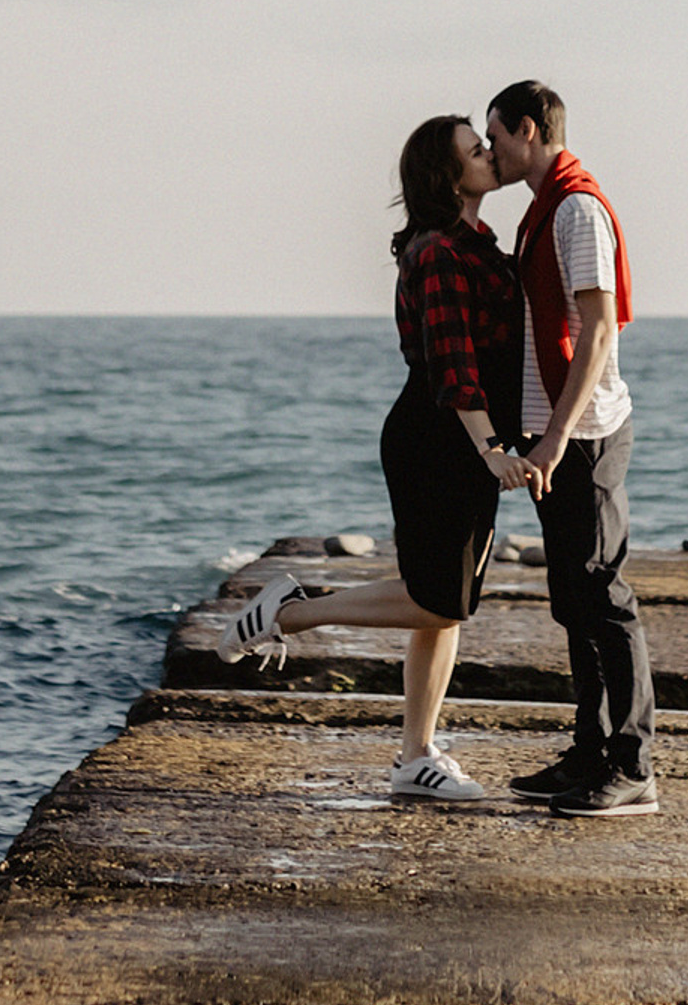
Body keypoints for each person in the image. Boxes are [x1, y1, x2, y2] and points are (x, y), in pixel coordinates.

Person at [222, 114, 531, 801]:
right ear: (447, 175)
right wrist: (489, 448)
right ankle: (292, 611)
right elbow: (453, 363)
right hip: (438, 437)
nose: (489, 154)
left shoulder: (478, 243)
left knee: (447, 608)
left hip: (459, 436)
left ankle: (416, 757)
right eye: (476, 150)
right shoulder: (438, 251)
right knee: (434, 598)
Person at [483, 78, 657, 816]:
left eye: (495, 137)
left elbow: (600, 329)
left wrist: (555, 436)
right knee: (572, 601)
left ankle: (634, 766)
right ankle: (590, 752)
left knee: (602, 596)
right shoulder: (543, 209)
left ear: (528, 128)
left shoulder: (576, 209)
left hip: (583, 434)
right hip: (552, 431)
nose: (490, 151)